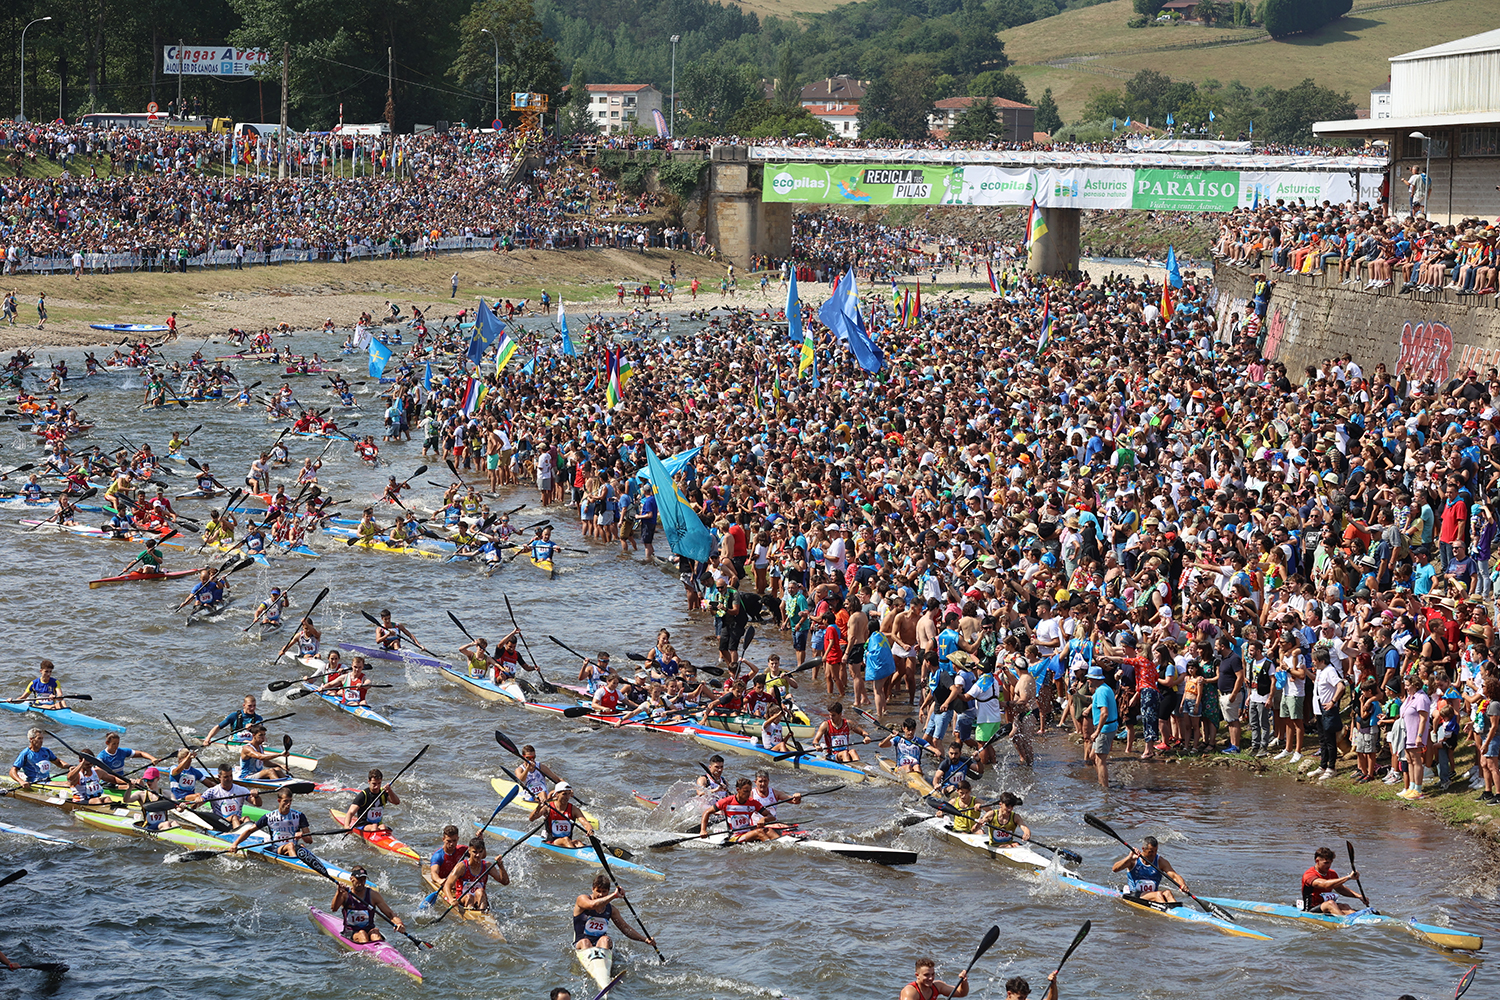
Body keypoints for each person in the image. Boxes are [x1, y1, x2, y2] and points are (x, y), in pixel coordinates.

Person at [573, 874, 656, 953]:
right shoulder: (582, 899)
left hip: (600, 944)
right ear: (593, 889)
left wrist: (645, 939)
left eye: (604, 891)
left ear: (608, 891)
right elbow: (593, 905)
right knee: (585, 942)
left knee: (606, 939)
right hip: (581, 943)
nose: (600, 894)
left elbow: (625, 928)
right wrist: (614, 895)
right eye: (598, 891)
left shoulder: (612, 910)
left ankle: (602, 962)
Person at [331, 865, 407, 944]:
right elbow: (334, 908)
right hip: (351, 932)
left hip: (369, 930)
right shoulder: (345, 894)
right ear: (351, 879)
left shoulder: (373, 895)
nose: (361, 882)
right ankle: (368, 954)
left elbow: (390, 914)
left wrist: (399, 923)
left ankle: (379, 952)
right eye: (359, 879)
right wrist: (339, 892)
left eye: (364, 879)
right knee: (362, 934)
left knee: (375, 933)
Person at [1110, 835, 1191, 905]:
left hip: (1153, 895)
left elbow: (1174, 875)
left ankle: (1177, 911)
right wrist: (1129, 858)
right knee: (1158, 894)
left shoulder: (1160, 861)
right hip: (1135, 894)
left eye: (1156, 851)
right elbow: (1114, 869)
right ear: (1143, 849)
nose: (1154, 854)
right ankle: (1167, 912)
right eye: (1151, 851)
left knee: (1167, 893)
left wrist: (1182, 885)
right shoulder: (1133, 860)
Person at [230, 787, 310, 857]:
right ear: (279, 801)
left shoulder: (299, 816)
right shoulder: (269, 817)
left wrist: (302, 835)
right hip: (276, 849)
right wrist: (235, 844)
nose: (288, 804)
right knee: (290, 845)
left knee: (301, 846)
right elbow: (249, 831)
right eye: (285, 801)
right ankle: (297, 867)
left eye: (290, 801)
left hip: (292, 848)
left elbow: (309, 840)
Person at [699, 776, 779, 843]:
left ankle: (781, 847)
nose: (748, 794)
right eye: (745, 791)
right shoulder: (727, 802)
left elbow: (771, 817)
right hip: (735, 837)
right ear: (738, 790)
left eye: (749, 791)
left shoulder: (752, 802)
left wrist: (764, 819)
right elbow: (707, 812)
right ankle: (771, 850)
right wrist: (703, 830)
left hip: (748, 832)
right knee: (759, 832)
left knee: (769, 830)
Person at [442, 835, 508, 911]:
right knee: (469, 897)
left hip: (479, 898)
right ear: (469, 851)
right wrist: (451, 899)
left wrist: (501, 866)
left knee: (481, 891)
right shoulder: (461, 867)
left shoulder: (487, 866)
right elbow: (447, 885)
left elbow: (505, 882)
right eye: (475, 852)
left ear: (484, 852)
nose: (478, 855)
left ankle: (482, 914)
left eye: (480, 852)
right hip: (463, 898)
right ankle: (473, 915)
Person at [1301, 846, 1366, 915]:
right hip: (1311, 909)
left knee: (1344, 906)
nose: (1329, 865)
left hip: (1327, 906)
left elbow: (1341, 889)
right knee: (1331, 903)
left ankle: (1359, 920)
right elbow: (1325, 885)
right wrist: (1349, 877)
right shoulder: (1309, 875)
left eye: (1330, 862)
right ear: (1317, 861)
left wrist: (1359, 896)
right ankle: (1344, 921)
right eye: (1326, 863)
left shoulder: (1332, 873)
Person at [530, 782, 595, 848]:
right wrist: (539, 807)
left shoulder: (573, 809)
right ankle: (572, 855)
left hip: (567, 841)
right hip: (552, 842)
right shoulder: (548, 808)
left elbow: (585, 822)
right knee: (565, 839)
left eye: (569, 794)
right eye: (564, 794)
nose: (567, 797)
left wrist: (590, 829)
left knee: (578, 842)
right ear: (557, 794)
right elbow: (531, 818)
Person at [1085, 665, 1118, 788]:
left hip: (1104, 729)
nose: (1088, 681)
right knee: (1093, 756)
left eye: (1089, 678)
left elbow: (1104, 713)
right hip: (1109, 726)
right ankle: (1101, 780)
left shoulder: (1100, 691)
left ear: (1094, 679)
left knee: (1100, 760)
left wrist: (1097, 731)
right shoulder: (1105, 688)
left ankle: (1104, 789)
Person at [342, 768, 400, 833]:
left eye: (379, 783)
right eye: (374, 784)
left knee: (383, 826)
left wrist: (390, 791)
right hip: (363, 825)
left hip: (378, 825)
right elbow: (350, 813)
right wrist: (346, 826)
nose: (377, 787)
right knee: (374, 827)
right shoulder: (363, 795)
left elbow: (396, 802)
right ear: (369, 781)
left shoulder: (383, 793)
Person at [898, 955, 970, 1000]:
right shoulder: (910, 991)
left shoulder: (937, 986)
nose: (930, 978)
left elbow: (961, 993)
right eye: (926, 975)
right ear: (917, 975)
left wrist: (964, 982)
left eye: (932, 974)